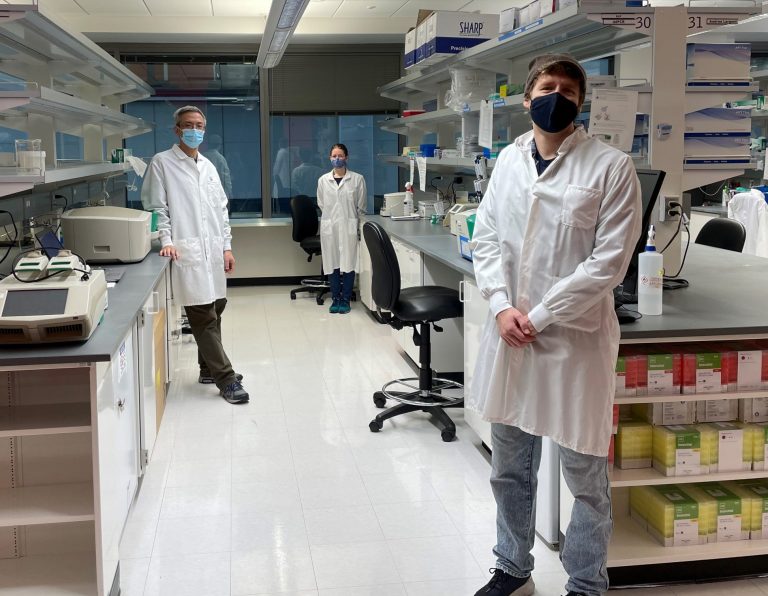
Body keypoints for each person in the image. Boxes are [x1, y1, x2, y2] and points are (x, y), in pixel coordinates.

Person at [469, 54, 641, 596]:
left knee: (585, 481)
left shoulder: (611, 166)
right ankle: (512, 568)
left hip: (573, 342)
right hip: (511, 336)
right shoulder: (508, 161)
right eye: (548, 87)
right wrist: (500, 304)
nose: (557, 96)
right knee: (509, 470)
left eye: (569, 90)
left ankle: (587, 584)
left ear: (581, 102)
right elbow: (488, 239)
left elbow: (607, 264)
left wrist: (539, 315)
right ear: (526, 98)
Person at [142, 105, 249, 405]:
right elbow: (156, 207)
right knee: (202, 316)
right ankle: (225, 379)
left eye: (199, 125)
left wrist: (226, 247)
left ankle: (206, 368)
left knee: (217, 307)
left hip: (213, 251)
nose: (195, 130)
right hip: (185, 251)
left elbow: (221, 210)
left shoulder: (209, 166)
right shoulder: (162, 163)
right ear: (176, 130)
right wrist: (166, 239)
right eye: (188, 125)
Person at [317, 143, 367, 314]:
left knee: (349, 262)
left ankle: (345, 299)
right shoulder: (323, 180)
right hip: (330, 227)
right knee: (332, 263)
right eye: (333, 156)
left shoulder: (357, 179)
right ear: (330, 157)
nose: (336, 159)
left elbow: (361, 206)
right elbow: (322, 204)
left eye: (340, 155)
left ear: (346, 157)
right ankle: (335, 298)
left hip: (349, 226)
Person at [204, 133, 233, 203]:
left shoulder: (203, 156)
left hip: (204, 191)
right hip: (218, 192)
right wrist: (230, 192)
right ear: (219, 145)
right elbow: (226, 178)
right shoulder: (220, 158)